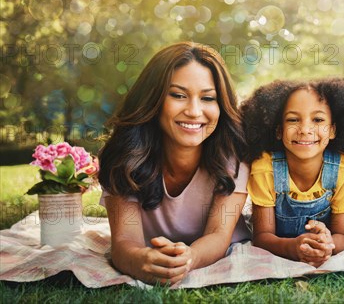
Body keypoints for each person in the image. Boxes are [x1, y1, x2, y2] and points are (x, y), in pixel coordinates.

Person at [98, 42, 249, 285]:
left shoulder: (233, 155)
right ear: (153, 99)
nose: (194, 111)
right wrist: (141, 260)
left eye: (208, 98)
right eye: (178, 95)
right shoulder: (124, 156)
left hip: (216, 249)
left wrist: (189, 258)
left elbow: (218, 235)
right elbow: (125, 242)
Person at [241, 78, 344, 266]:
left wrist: (325, 244)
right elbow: (263, 238)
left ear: (332, 130)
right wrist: (293, 248)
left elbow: (341, 238)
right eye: (293, 119)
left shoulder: (343, 170)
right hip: (281, 244)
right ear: (279, 130)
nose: (305, 129)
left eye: (318, 119)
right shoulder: (265, 168)